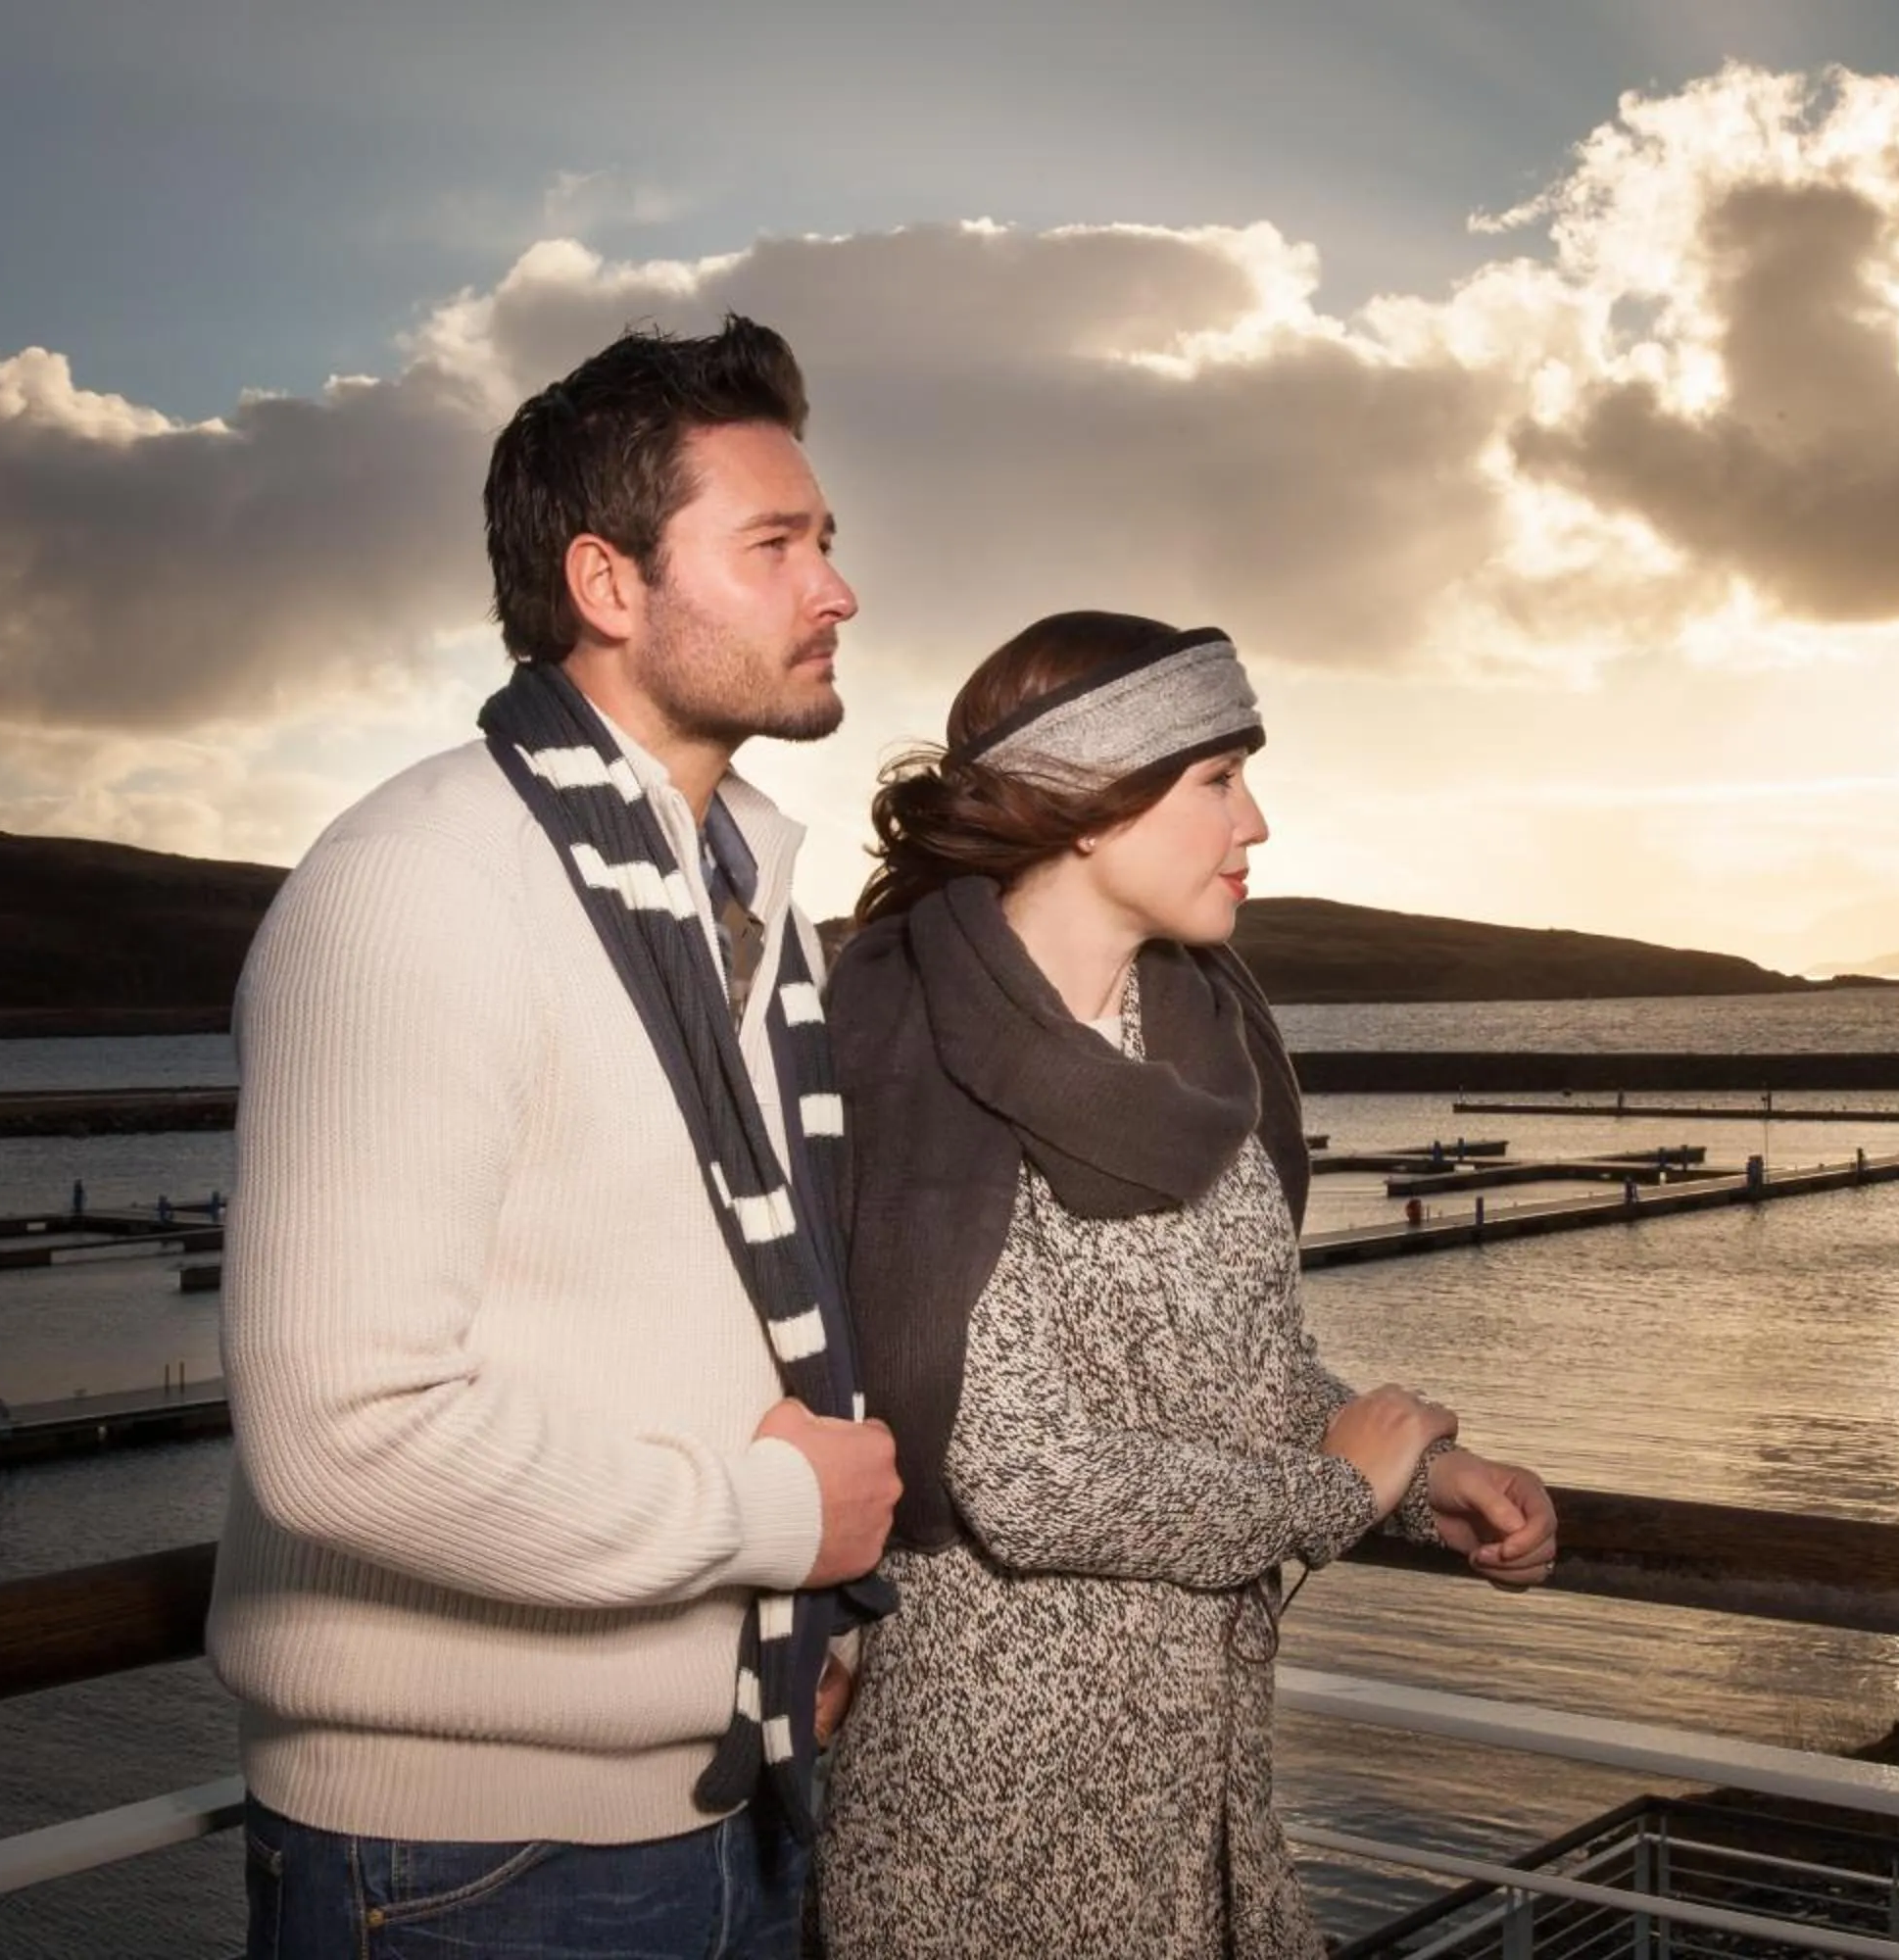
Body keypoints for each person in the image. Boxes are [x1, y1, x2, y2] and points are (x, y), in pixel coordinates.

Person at [208, 318, 898, 1959]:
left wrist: (792, 1613)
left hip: (729, 1795)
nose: (836, 590)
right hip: (470, 1864)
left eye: (829, 544)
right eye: (777, 545)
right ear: (607, 585)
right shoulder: (421, 886)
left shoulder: (751, 909)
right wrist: (771, 1525)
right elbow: (344, 1434)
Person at [817, 612, 1560, 1958]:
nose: (1257, 821)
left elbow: (1240, 1369)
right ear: (1090, 807)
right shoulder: (917, 1061)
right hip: (999, 1806)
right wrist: (1344, 1489)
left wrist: (1424, 1481)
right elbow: (1027, 1475)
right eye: (1215, 779)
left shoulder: (1209, 1038)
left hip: (1210, 1788)